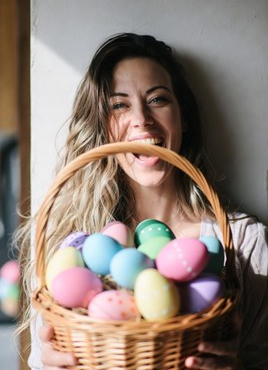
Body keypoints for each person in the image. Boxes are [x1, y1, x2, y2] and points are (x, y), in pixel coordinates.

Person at [14, 33, 268, 370]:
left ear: (184, 117)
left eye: (158, 99)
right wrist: (50, 363)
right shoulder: (73, 248)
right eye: (119, 105)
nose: (142, 119)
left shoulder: (244, 244)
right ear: (101, 128)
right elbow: (39, 359)